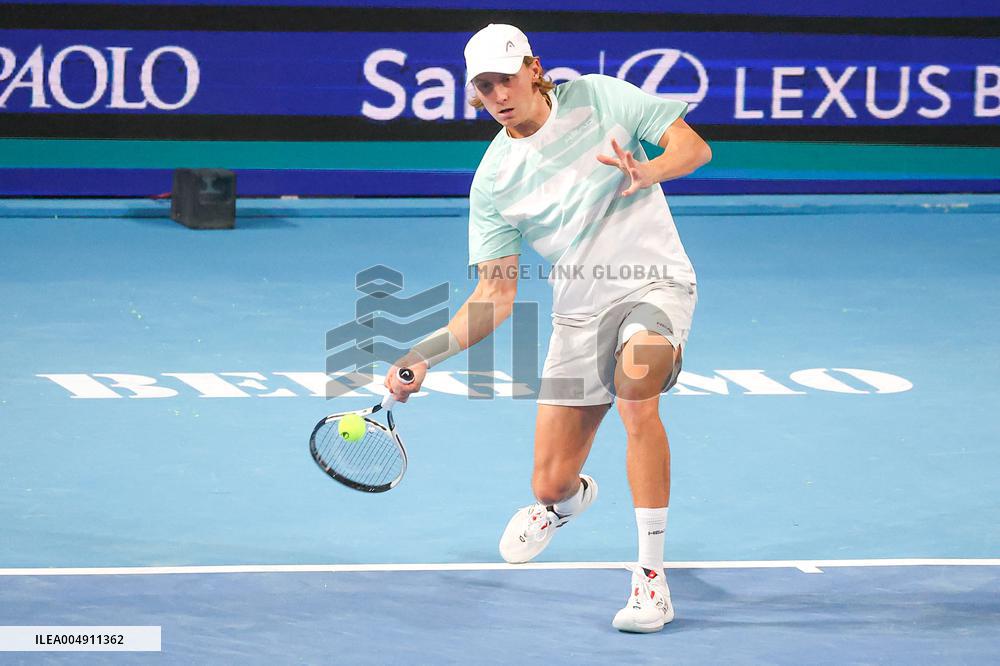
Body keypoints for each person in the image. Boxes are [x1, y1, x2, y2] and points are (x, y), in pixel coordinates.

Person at [385, 23, 712, 633]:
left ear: (533, 68)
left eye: (506, 78)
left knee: (636, 393)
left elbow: (694, 149)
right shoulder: (494, 181)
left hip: (655, 283)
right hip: (579, 312)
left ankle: (650, 582)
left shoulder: (600, 98)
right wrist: (424, 353)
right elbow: (494, 295)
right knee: (549, 479)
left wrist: (650, 171)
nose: (498, 94)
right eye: (484, 86)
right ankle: (564, 503)